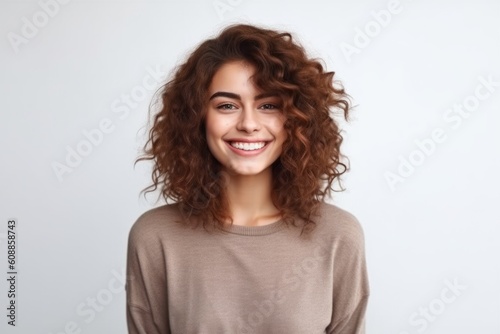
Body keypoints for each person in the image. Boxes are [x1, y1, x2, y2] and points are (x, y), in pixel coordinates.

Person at [126, 23, 369, 334]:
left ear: (296, 119)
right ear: (197, 119)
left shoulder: (339, 236)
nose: (249, 124)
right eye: (227, 105)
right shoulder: (155, 237)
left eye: (268, 105)